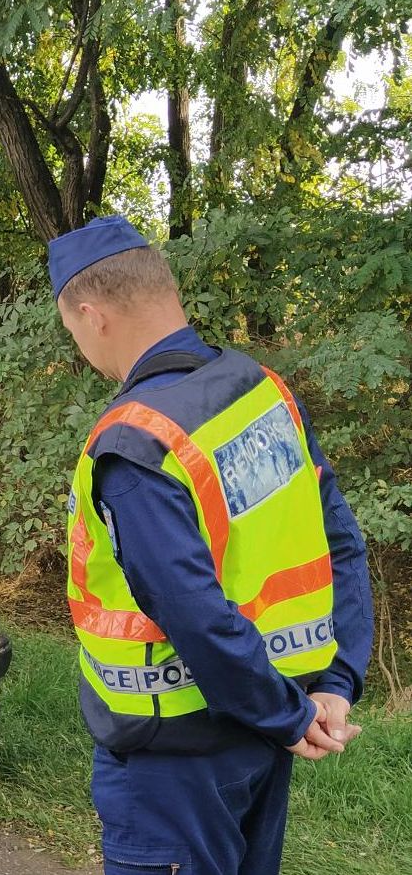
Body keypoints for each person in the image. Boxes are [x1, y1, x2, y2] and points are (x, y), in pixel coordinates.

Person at [49, 216, 374, 875]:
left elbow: (196, 615)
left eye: (73, 330)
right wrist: (335, 682)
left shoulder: (135, 445)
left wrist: (287, 716)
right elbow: (341, 543)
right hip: (263, 740)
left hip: (174, 764)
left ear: (92, 314)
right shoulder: (262, 390)